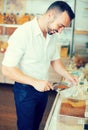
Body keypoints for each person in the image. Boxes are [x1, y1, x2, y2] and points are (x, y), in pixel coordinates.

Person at [2, 1, 78, 130]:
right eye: (60, 26)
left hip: (43, 88)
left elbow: (54, 60)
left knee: (35, 126)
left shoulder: (51, 34)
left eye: (63, 28)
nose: (60, 31)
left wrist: (68, 75)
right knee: (26, 127)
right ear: (50, 15)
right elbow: (7, 69)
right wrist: (35, 82)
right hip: (25, 91)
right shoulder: (23, 33)